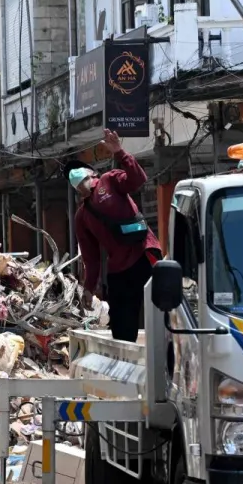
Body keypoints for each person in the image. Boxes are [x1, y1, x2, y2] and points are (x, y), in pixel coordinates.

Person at [72, 130, 163, 341]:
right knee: (129, 320)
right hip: (130, 262)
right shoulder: (82, 215)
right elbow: (91, 258)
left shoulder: (109, 180)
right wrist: (88, 288)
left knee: (156, 313)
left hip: (142, 255)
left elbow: (138, 179)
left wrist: (120, 153)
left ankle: (157, 360)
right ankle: (133, 364)